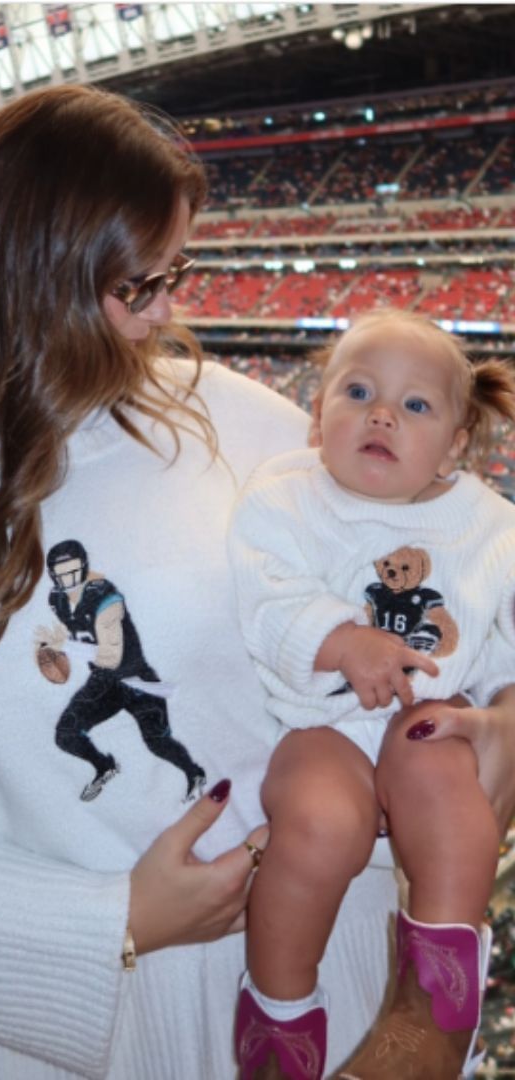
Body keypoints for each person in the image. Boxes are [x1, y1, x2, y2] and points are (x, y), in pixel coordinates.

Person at [0, 85, 515, 1078]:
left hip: (318, 979)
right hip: (58, 1029)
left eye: (179, 271)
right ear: (28, 274)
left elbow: (451, 579)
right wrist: (109, 921)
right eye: (139, 284)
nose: (172, 312)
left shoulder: (245, 422)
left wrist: (499, 718)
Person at [225, 310, 515, 1074]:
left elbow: (505, 638)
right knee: (319, 821)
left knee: (439, 755)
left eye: (415, 405)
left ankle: (442, 961)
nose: (382, 412)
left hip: (425, 723)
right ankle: (280, 1005)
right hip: (320, 724)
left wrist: (499, 713)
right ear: (317, 417)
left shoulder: (490, 526)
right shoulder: (284, 494)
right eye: (357, 392)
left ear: (455, 444)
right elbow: (265, 596)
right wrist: (338, 637)